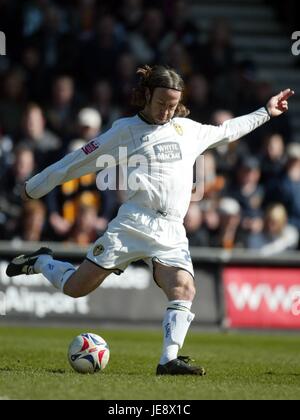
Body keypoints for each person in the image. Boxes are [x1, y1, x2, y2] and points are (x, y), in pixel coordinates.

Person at [6, 65, 294, 376]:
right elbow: (75, 162)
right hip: (133, 224)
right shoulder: (124, 131)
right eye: (161, 104)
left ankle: (168, 360)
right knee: (76, 288)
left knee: (184, 287)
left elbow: (227, 131)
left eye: (172, 105)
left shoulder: (187, 130)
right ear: (146, 95)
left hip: (171, 229)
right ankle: (42, 261)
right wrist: (33, 188)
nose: (166, 111)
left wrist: (265, 111)